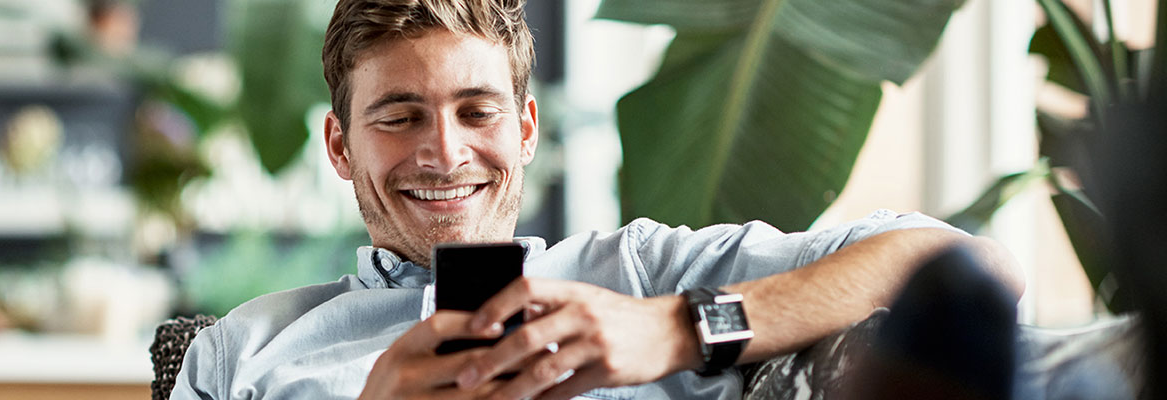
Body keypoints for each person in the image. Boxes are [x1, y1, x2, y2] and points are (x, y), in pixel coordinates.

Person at [170, 0, 1021, 399]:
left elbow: (960, 264)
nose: (444, 151)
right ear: (340, 146)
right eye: (398, 115)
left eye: (478, 111)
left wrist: (677, 327)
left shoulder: (644, 272)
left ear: (527, 130)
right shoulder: (241, 352)